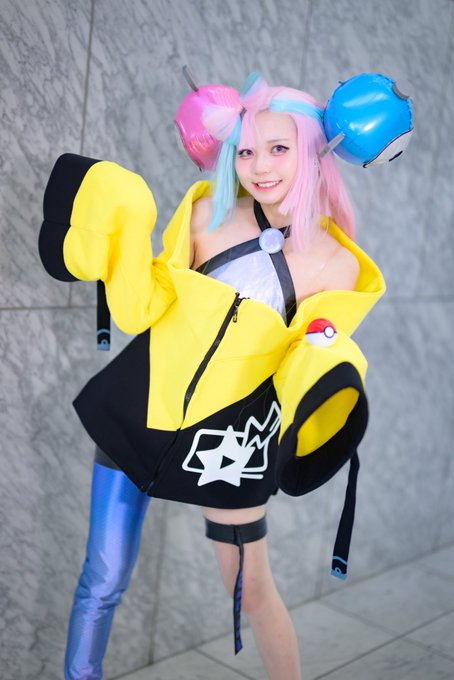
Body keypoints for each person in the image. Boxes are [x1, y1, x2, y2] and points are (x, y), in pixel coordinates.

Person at [39, 72, 385, 680]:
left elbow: (306, 362)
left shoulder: (339, 265)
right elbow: (141, 308)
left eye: (278, 148)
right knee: (103, 577)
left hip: (228, 441)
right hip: (139, 407)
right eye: (246, 151)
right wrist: (123, 222)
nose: (260, 166)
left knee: (253, 594)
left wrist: (330, 384)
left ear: (314, 149)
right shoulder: (205, 213)